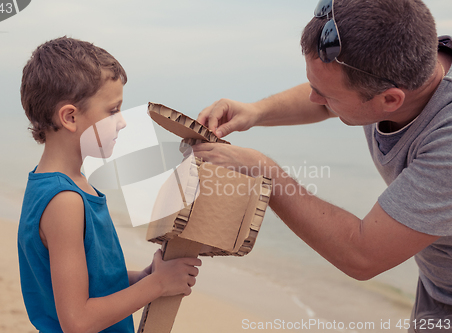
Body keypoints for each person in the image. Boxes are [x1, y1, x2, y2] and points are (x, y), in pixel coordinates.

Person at [194, 0, 452, 331]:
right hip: (437, 283)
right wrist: (255, 111)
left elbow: (362, 254)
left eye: (325, 93)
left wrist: (265, 173)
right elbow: (332, 99)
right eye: (315, 86)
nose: (316, 98)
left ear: (390, 100)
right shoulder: (406, 62)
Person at [17, 37, 201, 333]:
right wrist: (158, 285)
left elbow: (91, 281)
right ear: (70, 117)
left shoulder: (67, 185)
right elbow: (78, 321)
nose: (122, 122)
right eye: (113, 110)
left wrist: (142, 278)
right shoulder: (64, 200)